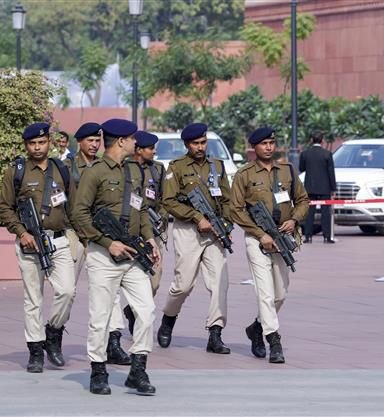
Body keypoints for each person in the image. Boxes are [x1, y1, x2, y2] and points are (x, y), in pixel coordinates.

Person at [71, 118, 160, 396]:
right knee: (100, 316)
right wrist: (107, 243)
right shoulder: (95, 172)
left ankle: (138, 370)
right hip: (104, 255)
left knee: (146, 311)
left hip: (133, 254)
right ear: (121, 141)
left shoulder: (134, 171)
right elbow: (79, 214)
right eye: (133, 139)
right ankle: (98, 370)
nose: (136, 142)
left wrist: (150, 237)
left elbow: (141, 208)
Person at [0, 122, 76, 373]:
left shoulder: (61, 169)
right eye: (32, 143)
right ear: (26, 145)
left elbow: (74, 207)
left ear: (49, 143)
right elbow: (5, 208)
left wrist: (85, 236)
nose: (37, 147)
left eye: (41, 142)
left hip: (58, 240)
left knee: (67, 291)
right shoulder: (16, 172)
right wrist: (21, 233)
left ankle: (53, 332)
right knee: (33, 299)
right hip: (30, 243)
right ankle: (35, 350)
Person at [230, 127, 309, 363]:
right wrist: (259, 233)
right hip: (257, 239)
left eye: (271, 143)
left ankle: (257, 327)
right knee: (265, 293)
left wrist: (294, 220)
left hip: (282, 238)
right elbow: (235, 209)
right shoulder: (244, 174)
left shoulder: (287, 170)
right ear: (254, 147)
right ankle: (274, 341)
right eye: (263, 143)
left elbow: (303, 200)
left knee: (280, 294)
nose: (268, 147)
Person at [156, 122, 232, 355]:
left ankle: (215, 333)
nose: (200, 147)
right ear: (187, 145)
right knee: (183, 285)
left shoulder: (217, 166)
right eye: (195, 143)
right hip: (188, 230)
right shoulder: (176, 167)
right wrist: (196, 217)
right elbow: (169, 201)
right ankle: (168, 318)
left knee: (220, 282)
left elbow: (227, 200)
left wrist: (226, 224)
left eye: (203, 142)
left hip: (214, 232)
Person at [65, 122, 130, 366]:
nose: (94, 145)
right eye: (89, 140)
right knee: (67, 289)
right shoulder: (68, 167)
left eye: (97, 140)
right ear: (79, 142)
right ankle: (56, 330)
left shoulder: (110, 166)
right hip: (75, 232)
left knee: (111, 291)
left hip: (102, 235)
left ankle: (113, 342)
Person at [123, 130, 167, 335]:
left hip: (153, 231)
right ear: (139, 150)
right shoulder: (125, 168)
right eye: (150, 148)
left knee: (154, 280)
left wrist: (162, 218)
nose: (154, 151)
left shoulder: (157, 169)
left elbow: (165, 199)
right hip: (132, 231)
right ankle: (137, 315)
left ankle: (133, 310)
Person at [299, 131, 337, 244]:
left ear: (311, 140)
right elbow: (331, 172)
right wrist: (333, 188)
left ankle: (308, 236)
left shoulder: (305, 154)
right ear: (322, 141)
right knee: (326, 212)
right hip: (324, 187)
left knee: (309, 212)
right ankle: (327, 236)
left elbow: (301, 168)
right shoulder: (327, 154)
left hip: (310, 187)